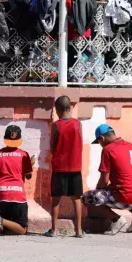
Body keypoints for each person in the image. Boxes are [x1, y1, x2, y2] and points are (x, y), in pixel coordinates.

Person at [82, 124, 132, 235]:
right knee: (125, 188)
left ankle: (116, 219)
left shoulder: (108, 150)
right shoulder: (129, 145)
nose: (100, 145)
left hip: (127, 196)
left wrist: (97, 190)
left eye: (99, 142)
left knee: (87, 198)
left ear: (102, 138)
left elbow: (104, 181)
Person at [0, 125, 34, 238]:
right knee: (22, 229)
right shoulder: (24, 155)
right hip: (18, 196)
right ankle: (0, 220)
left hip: (1, 195)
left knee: (4, 230)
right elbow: (28, 176)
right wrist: (31, 164)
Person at [45, 96, 84, 238]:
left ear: (57, 109)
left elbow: (52, 147)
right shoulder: (78, 124)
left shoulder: (56, 125)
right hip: (75, 166)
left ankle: (54, 230)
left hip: (59, 167)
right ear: (71, 108)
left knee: (56, 198)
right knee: (77, 198)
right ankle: (79, 230)